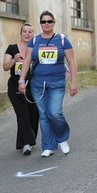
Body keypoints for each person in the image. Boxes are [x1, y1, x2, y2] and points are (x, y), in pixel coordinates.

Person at [18, 10, 78, 158]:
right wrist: (21, 80)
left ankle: (62, 138)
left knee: (54, 113)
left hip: (57, 82)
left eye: (49, 21)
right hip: (38, 83)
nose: (46, 24)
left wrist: (74, 82)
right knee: (44, 116)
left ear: (53, 23)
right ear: (40, 24)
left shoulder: (63, 40)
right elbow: (26, 61)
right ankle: (48, 146)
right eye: (43, 21)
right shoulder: (34, 40)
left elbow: (72, 61)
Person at [2, 23, 39, 155]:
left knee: (34, 115)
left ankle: (25, 141)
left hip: (33, 86)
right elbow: (5, 66)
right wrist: (14, 60)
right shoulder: (12, 48)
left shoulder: (36, 48)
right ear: (20, 33)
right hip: (15, 87)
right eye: (25, 31)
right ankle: (27, 143)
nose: (27, 34)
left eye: (30, 32)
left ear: (33, 34)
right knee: (22, 114)